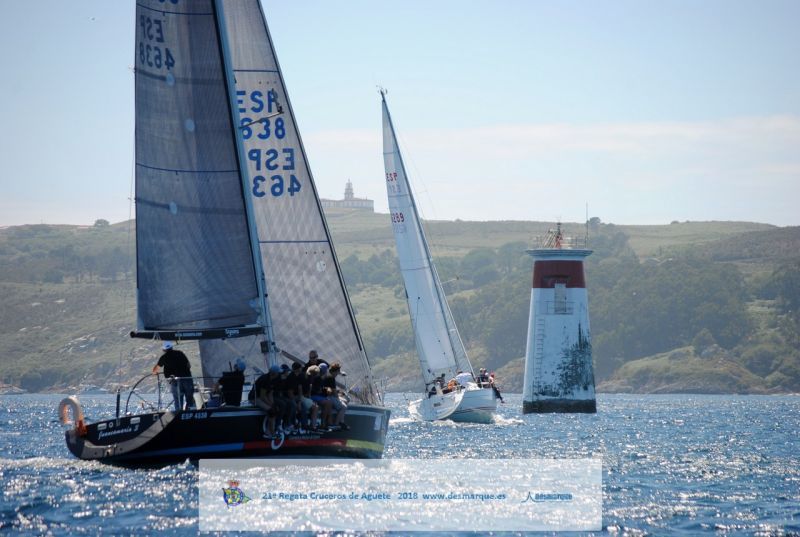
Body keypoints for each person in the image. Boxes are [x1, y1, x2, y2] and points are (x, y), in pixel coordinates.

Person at [152, 341, 195, 411]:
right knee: (189, 397)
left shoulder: (164, 357)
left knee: (178, 400)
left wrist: (155, 373)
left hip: (175, 381)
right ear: (172, 347)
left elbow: (155, 370)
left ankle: (179, 414)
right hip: (187, 378)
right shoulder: (180, 353)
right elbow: (189, 365)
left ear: (164, 349)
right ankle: (191, 411)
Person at [322, 362, 348, 430]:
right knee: (343, 407)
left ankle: (341, 421)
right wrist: (339, 396)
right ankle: (336, 424)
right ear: (335, 371)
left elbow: (332, 390)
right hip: (328, 397)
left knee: (345, 401)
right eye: (337, 372)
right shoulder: (331, 378)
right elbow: (334, 393)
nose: (337, 374)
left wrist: (339, 394)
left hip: (327, 395)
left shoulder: (327, 374)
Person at [253, 369, 277, 438]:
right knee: (271, 411)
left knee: (274, 409)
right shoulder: (265, 380)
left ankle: (269, 431)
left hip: (263, 397)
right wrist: (270, 404)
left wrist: (272, 404)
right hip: (255, 398)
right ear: (274, 373)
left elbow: (270, 394)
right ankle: (271, 433)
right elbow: (262, 396)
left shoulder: (273, 379)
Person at [307, 365, 331, 429]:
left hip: (317, 396)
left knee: (328, 402)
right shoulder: (316, 378)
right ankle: (323, 423)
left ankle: (324, 423)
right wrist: (325, 390)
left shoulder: (322, 379)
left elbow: (321, 390)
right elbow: (316, 391)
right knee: (327, 402)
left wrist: (326, 390)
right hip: (313, 396)